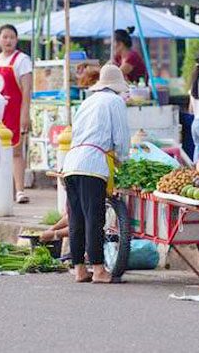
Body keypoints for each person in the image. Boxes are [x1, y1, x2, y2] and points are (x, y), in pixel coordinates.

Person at [61, 64, 131, 283]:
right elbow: (120, 137)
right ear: (117, 86)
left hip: (71, 162)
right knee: (94, 218)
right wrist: (123, 160)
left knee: (77, 218)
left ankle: (80, 269)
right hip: (93, 164)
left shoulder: (88, 101)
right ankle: (99, 269)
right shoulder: (115, 101)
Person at [0, 24, 33, 204]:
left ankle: (19, 190)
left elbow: (27, 90)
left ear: (16, 40)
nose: (8, 40)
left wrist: (25, 114)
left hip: (15, 111)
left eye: (12, 37)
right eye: (5, 37)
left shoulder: (22, 60)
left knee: (16, 151)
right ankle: (2, 189)